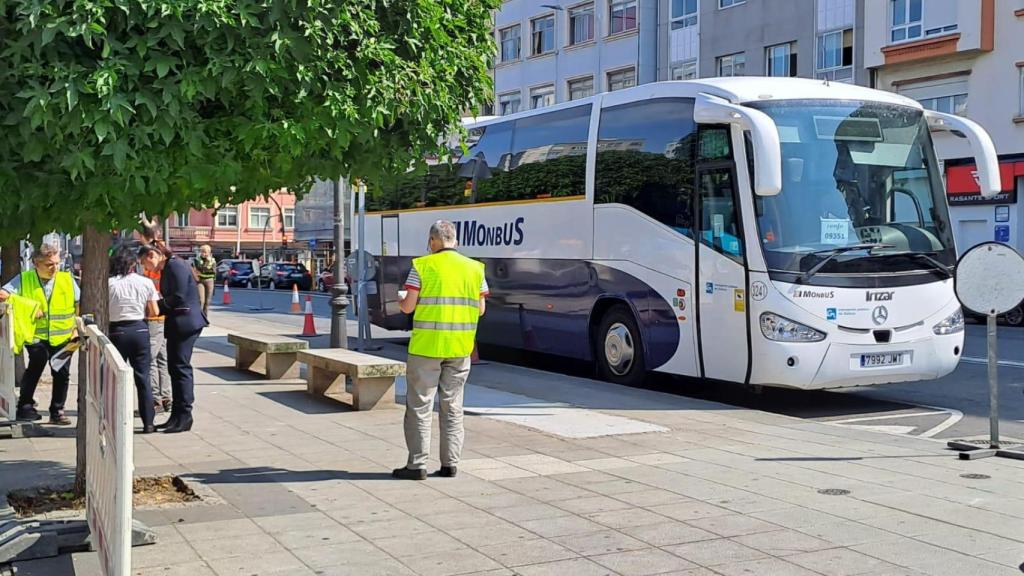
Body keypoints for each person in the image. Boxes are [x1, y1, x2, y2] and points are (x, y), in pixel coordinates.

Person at [392, 221, 488, 481]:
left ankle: (417, 466)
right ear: (455, 241)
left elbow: (407, 308)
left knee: (420, 406)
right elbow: (480, 309)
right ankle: (450, 464)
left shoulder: (422, 266)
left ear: (432, 241)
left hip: (427, 348)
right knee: (453, 406)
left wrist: (402, 298)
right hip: (460, 348)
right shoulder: (475, 269)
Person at [0, 243, 80, 424]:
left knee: (62, 372)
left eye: (57, 263)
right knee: (36, 365)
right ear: (36, 263)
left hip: (63, 335)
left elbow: (78, 302)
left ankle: (57, 411)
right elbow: (2, 294)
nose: (55, 268)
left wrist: (76, 328)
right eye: (49, 264)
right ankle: (25, 405)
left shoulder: (66, 279)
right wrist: (29, 306)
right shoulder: (25, 278)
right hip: (36, 335)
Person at [139, 241, 207, 433]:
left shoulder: (175, 265)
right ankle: (176, 415)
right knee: (174, 368)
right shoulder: (170, 266)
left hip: (186, 323)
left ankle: (185, 415)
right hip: (178, 323)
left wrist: (154, 307)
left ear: (153, 256)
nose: (146, 268)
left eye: (145, 264)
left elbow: (178, 296)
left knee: (180, 368)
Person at [107, 246, 161, 433]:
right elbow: (155, 311)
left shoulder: (109, 283)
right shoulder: (145, 282)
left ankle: (115, 419)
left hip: (116, 331)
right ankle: (149, 423)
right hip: (139, 330)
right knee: (143, 378)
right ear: (133, 264)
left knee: (115, 378)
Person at [143, 252, 172, 413]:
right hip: (162, 317)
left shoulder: (154, 273)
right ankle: (166, 397)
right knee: (162, 359)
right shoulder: (163, 271)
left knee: (151, 359)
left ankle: (156, 400)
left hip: (154, 317)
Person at [192, 244, 216, 317]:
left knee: (207, 302)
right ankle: (199, 318)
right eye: (202, 252)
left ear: (209, 252)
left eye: (205, 252)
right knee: (201, 300)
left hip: (210, 281)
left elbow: (213, 271)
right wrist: (205, 267)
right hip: (200, 281)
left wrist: (206, 266)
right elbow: (197, 269)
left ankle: (205, 318)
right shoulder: (196, 260)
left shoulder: (212, 261)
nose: (204, 254)